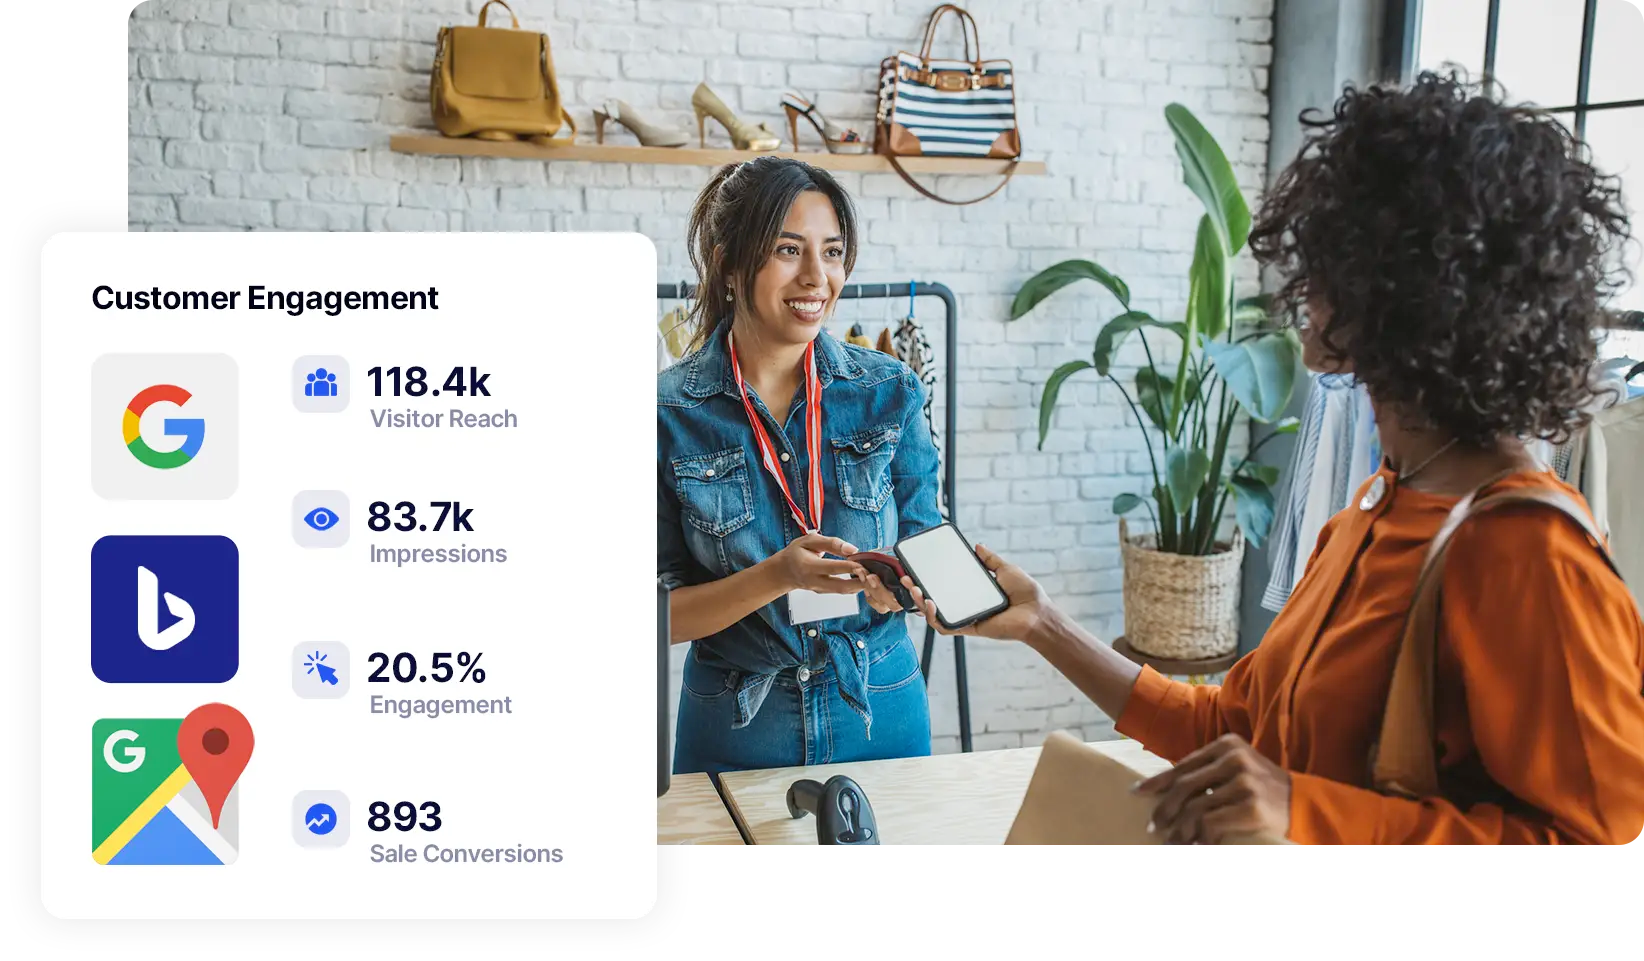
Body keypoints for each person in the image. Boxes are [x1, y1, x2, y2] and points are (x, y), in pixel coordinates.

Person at [904, 72, 1644, 846]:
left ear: (1403, 291)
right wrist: (1043, 625)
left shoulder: (1524, 548)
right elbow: (1234, 731)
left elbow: (1592, 853)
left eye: (1329, 263)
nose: (1304, 289)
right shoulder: (1376, 506)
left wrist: (1304, 811)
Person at [659, 157, 941, 777]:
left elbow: (927, 543)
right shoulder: (665, 413)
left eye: (833, 252)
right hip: (736, 723)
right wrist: (779, 575)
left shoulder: (891, 390)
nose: (818, 277)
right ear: (730, 263)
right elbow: (653, 621)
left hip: (881, 705)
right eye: (789, 250)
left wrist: (912, 592)